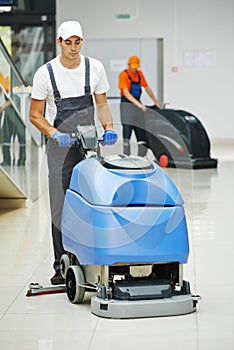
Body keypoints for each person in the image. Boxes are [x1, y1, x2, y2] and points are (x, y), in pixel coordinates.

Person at [29, 20, 118, 285]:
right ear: (59, 42)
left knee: (94, 201)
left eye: (77, 41)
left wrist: (109, 127)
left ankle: (93, 259)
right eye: (68, 42)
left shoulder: (95, 68)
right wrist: (54, 133)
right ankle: (61, 264)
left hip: (89, 145)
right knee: (61, 205)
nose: (73, 47)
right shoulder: (46, 73)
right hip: (60, 148)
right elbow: (35, 115)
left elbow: (101, 104)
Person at [118, 55, 161, 156]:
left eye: (136, 67)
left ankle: (141, 157)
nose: (134, 69)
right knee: (127, 131)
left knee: (141, 131)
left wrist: (156, 102)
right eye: (133, 67)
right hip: (126, 106)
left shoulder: (139, 74)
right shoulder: (123, 75)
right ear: (129, 65)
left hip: (137, 105)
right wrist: (139, 105)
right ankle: (126, 156)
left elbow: (147, 88)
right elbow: (126, 93)